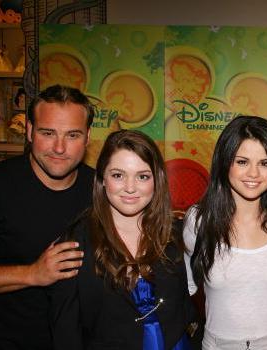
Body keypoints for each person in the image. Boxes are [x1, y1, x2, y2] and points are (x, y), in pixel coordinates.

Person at [0, 84, 94, 349]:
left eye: (72, 135)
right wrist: (32, 274)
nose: (59, 147)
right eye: (48, 133)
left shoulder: (100, 189)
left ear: (88, 137)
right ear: (30, 131)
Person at [51, 130, 194, 350]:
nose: (130, 187)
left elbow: (183, 308)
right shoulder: (75, 241)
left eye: (142, 176)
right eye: (118, 175)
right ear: (102, 179)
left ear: (157, 180)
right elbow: (65, 329)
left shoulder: (173, 232)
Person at [183, 115, 267, 349]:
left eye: (265, 163)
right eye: (242, 161)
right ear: (225, 162)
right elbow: (183, 286)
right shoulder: (200, 220)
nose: (253, 173)